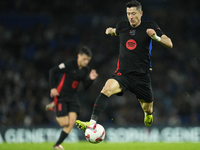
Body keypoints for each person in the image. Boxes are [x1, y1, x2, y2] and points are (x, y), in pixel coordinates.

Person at [76, 0, 173, 132]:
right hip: (123, 74)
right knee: (106, 89)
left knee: (148, 108)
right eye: (128, 14)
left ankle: (148, 114)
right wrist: (110, 31)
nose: (131, 17)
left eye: (134, 13)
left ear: (141, 13)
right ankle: (92, 123)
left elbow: (169, 43)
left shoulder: (150, 26)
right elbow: (117, 31)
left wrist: (156, 38)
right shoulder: (123, 26)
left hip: (141, 77)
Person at [47, 46, 98, 149]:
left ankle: (56, 145)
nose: (86, 62)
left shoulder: (85, 70)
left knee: (71, 123)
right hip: (61, 96)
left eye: (88, 60)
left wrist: (91, 79)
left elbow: (85, 86)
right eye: (84, 59)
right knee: (64, 123)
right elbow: (52, 71)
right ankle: (54, 105)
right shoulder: (69, 64)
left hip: (73, 97)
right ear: (79, 56)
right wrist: (53, 88)